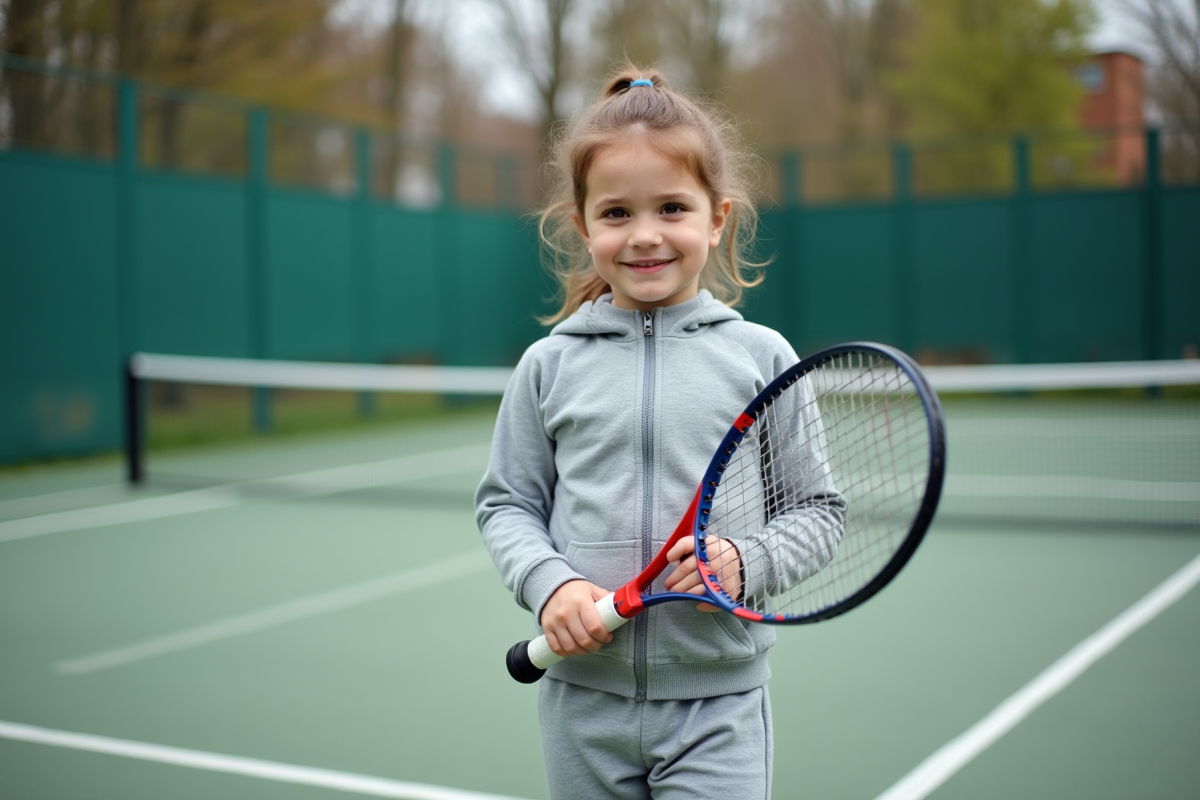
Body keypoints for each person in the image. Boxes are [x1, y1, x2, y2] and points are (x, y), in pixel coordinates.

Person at [475, 65, 797, 799]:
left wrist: (746, 560)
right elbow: (507, 504)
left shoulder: (762, 358)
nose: (645, 236)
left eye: (673, 209)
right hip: (581, 702)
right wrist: (550, 584)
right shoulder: (548, 365)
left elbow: (818, 511)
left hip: (719, 709)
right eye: (617, 213)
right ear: (582, 225)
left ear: (717, 218)